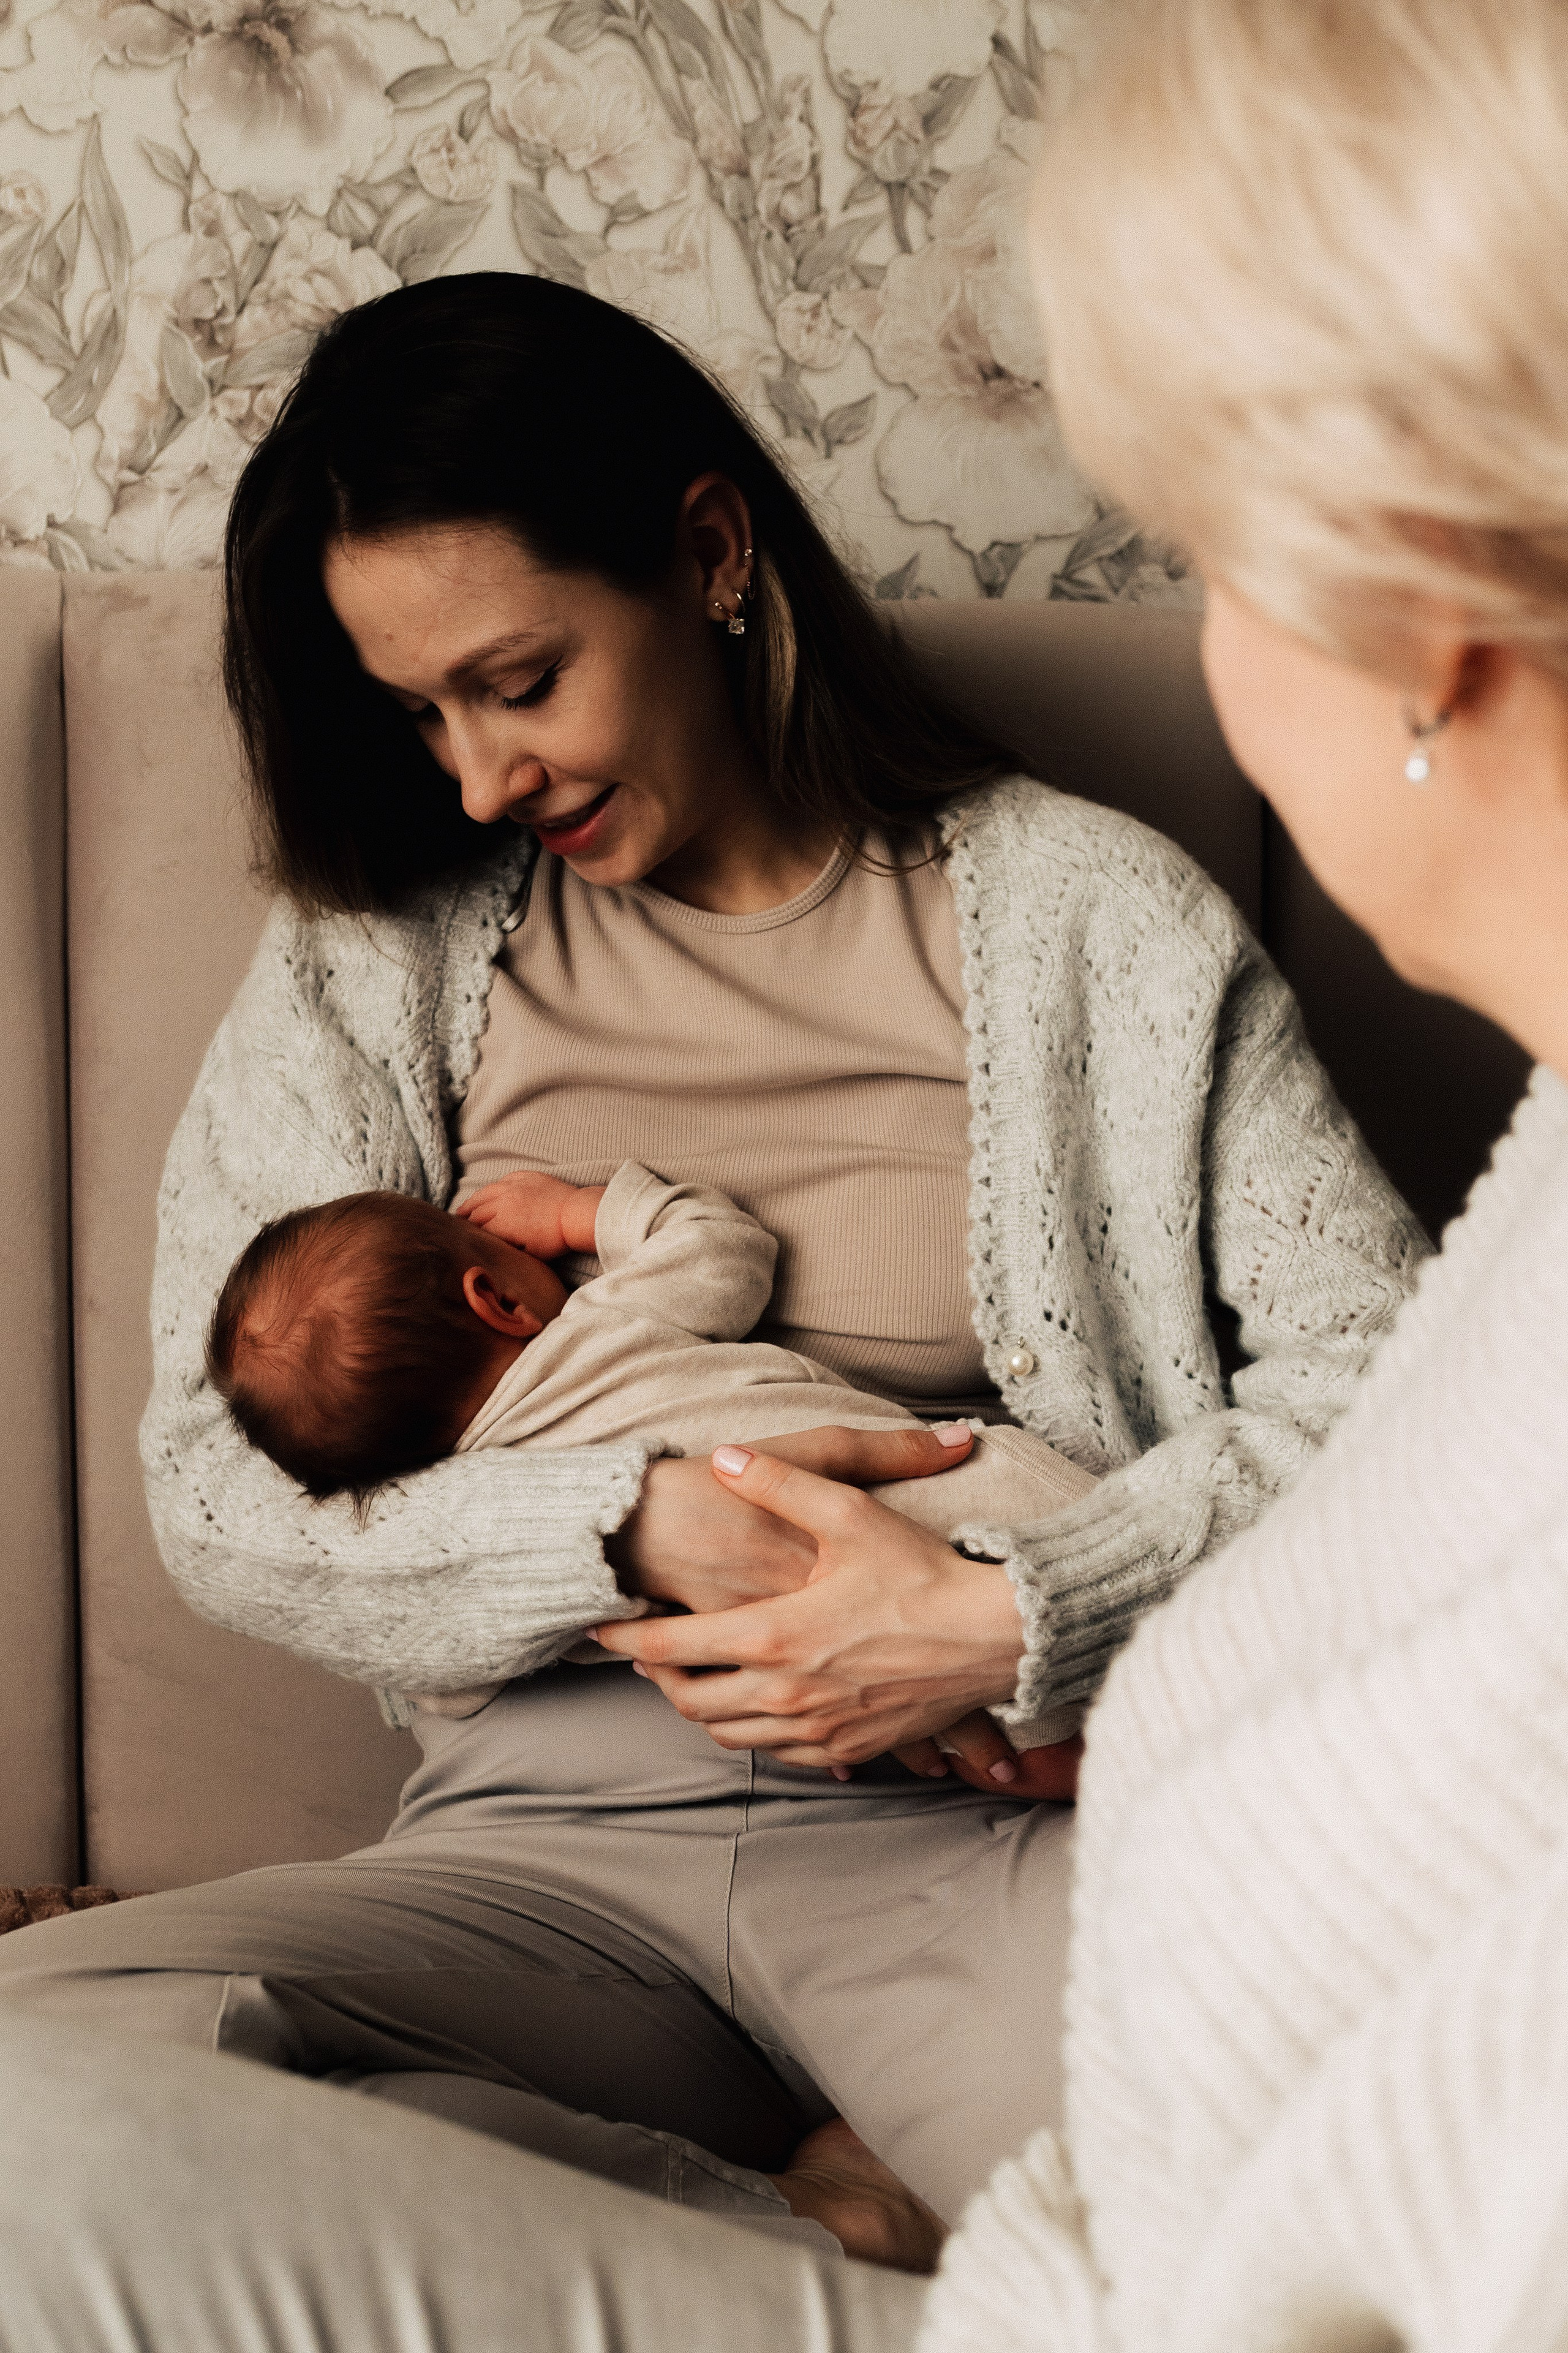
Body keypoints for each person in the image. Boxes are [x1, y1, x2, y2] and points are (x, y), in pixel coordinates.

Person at [0, 244, 1423, 2270]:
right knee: (33, 2080)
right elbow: (213, 1486)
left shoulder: (1094, 922)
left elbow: (1393, 1391)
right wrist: (640, 1523)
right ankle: (806, 2235)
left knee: (1317, 2235)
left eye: (519, 681)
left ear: (711, 550)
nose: (482, 778)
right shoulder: (380, 961)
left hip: (979, 1824)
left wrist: (1011, 1610)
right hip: (543, 1848)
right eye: (419, 715)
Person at [206, 1161, 1097, 1763]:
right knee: (1031, 1502)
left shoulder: (491, 1523)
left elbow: (448, 1681)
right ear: (499, 1297)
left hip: (855, 1704)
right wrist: (577, 1210)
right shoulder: (602, 1328)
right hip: (977, 1507)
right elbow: (723, 1251)